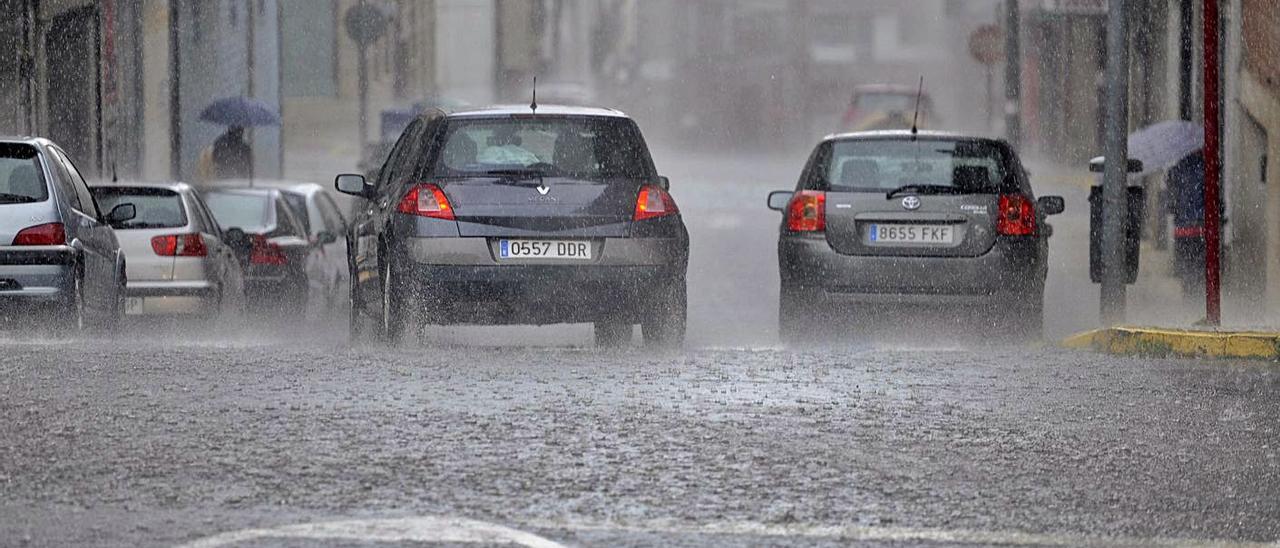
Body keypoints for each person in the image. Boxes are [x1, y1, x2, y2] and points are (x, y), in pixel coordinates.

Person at [1166, 150, 1207, 298]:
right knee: (1200, 270)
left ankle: (1188, 298)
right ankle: (1198, 301)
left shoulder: (1176, 169)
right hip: (1200, 228)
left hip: (1182, 230)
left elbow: (1170, 204)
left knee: (1186, 269)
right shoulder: (1206, 168)